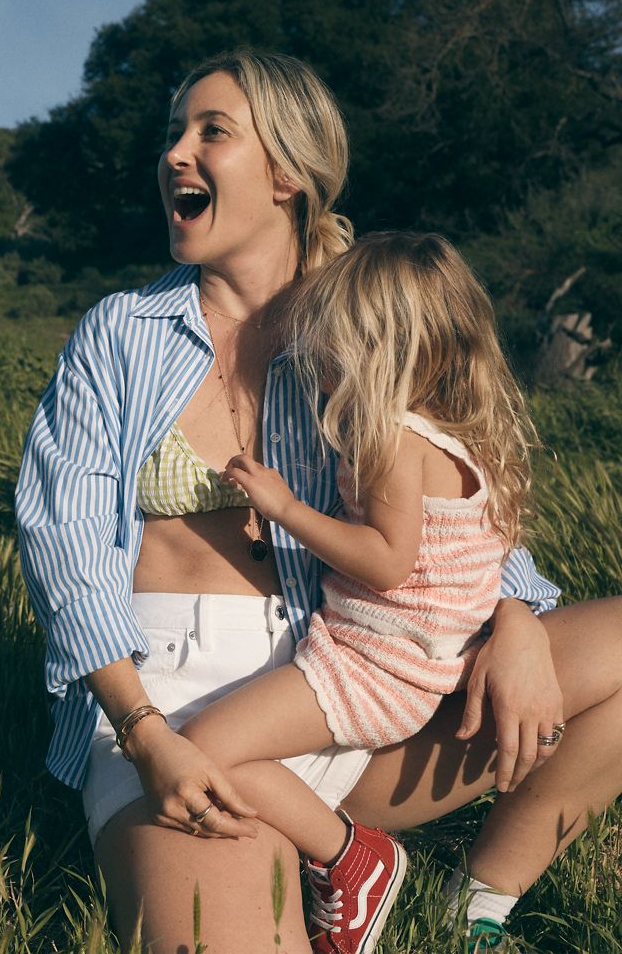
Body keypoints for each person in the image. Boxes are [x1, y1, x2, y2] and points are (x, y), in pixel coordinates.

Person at [14, 50, 622, 954]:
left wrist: (518, 620)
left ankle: (476, 904)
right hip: (178, 716)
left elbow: (453, 493)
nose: (175, 154)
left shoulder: (363, 323)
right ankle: (339, 860)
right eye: (173, 133)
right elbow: (59, 545)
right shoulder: (119, 336)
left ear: (288, 176)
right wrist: (143, 733)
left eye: (211, 132)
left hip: (361, 685)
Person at [174, 229, 539, 953]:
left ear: (380, 352)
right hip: (409, 663)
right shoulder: (451, 438)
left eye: (331, 342)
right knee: (224, 747)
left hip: (372, 668)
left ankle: (351, 859)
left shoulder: (391, 440)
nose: (314, 357)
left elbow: (386, 563)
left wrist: (284, 509)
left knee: (204, 749)